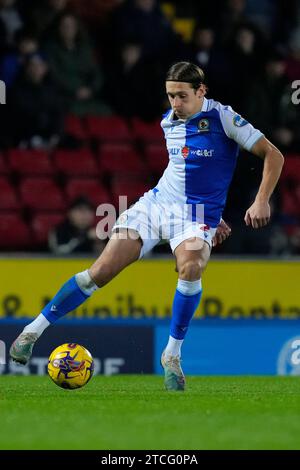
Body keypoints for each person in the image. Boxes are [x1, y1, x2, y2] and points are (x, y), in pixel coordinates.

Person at [9, 61, 284, 391]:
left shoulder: (223, 117)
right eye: (170, 96)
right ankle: (32, 332)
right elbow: (184, 171)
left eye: (182, 96)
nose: (175, 104)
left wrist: (260, 199)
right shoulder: (169, 122)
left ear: (201, 91)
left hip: (196, 218)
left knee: (191, 266)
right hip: (156, 207)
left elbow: (273, 155)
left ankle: (171, 355)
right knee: (101, 271)